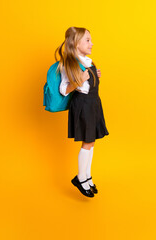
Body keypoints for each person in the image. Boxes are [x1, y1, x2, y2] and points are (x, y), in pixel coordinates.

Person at [55, 26, 109, 198]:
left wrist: (94, 75)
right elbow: (64, 89)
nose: (91, 43)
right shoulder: (69, 63)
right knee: (87, 142)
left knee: (91, 142)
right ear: (76, 43)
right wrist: (80, 80)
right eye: (87, 40)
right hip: (83, 105)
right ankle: (80, 178)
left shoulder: (88, 61)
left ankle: (87, 176)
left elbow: (88, 80)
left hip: (93, 103)